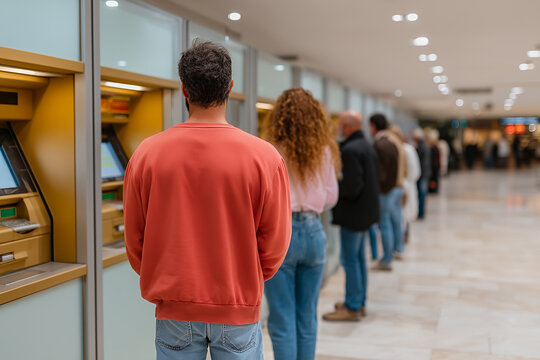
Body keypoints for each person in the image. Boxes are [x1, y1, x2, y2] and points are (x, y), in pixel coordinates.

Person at [123, 41, 292, 360]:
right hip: (237, 305)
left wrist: (162, 278)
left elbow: (135, 239)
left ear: (184, 90)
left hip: (174, 309)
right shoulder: (264, 158)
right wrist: (244, 276)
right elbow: (276, 243)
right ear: (230, 87)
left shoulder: (147, 154)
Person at [263, 88, 340, 360]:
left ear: (280, 116)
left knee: (282, 317)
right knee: (307, 316)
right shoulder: (325, 150)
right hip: (315, 233)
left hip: (282, 233)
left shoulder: (272, 149)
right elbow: (331, 196)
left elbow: (266, 197)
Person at [322, 110, 380, 321]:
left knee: (350, 261)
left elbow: (352, 187)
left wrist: (333, 183)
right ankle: (358, 301)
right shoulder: (366, 146)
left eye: (340, 125)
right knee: (358, 260)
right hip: (364, 215)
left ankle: (353, 306)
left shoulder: (350, 150)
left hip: (354, 216)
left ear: (347, 127)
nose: (338, 129)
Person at [370, 114, 406, 271]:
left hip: (387, 190)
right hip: (395, 187)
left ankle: (386, 258)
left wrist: (381, 188)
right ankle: (397, 249)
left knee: (385, 223)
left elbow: (383, 172)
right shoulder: (395, 143)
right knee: (394, 220)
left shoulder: (383, 144)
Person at [389, 125, 420, 245]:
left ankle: (400, 241)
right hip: (401, 186)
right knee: (400, 218)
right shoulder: (403, 149)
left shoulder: (407, 149)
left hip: (404, 186)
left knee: (402, 217)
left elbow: (414, 172)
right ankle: (399, 242)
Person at [413, 128, 431, 219]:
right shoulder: (425, 146)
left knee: (421, 194)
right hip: (425, 173)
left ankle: (420, 213)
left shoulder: (420, 147)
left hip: (422, 174)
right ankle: (421, 212)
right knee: (422, 194)